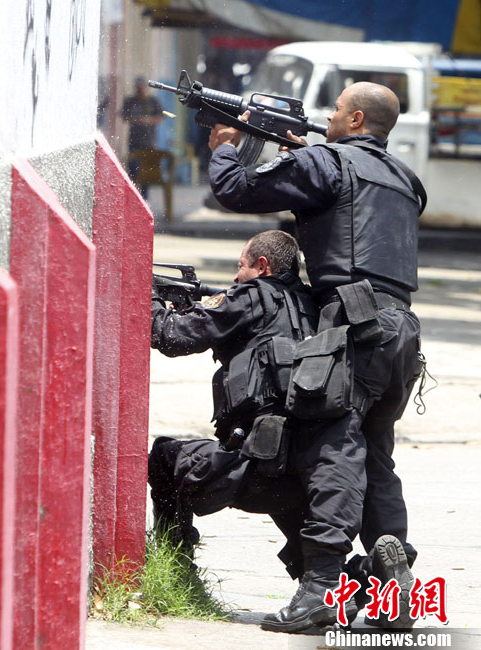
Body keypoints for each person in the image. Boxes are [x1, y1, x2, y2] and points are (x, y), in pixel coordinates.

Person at [207, 82, 426, 632]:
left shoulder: (329, 162)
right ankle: (389, 586)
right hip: (401, 332)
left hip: (354, 326)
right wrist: (294, 155)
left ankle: (322, 588)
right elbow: (352, 214)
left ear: (354, 118)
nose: (326, 119)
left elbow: (235, 190)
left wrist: (227, 145)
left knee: (336, 450)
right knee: (375, 453)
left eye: (333, 111)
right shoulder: (403, 179)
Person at [149, 231, 319, 586]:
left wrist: (148, 299)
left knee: (164, 458)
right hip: (307, 471)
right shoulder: (309, 303)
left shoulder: (250, 297)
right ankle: (356, 582)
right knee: (316, 561)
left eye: (240, 267)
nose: (234, 278)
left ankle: (175, 572)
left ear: (262, 265)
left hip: (255, 469)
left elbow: (171, 336)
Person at [120, 76, 163, 198]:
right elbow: (124, 116)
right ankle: (132, 196)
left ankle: (145, 197)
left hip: (149, 142)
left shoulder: (153, 101)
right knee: (133, 169)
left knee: (146, 173)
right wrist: (136, 120)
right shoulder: (130, 101)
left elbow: (160, 117)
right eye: (138, 89)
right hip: (134, 141)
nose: (140, 92)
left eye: (142, 89)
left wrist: (148, 120)